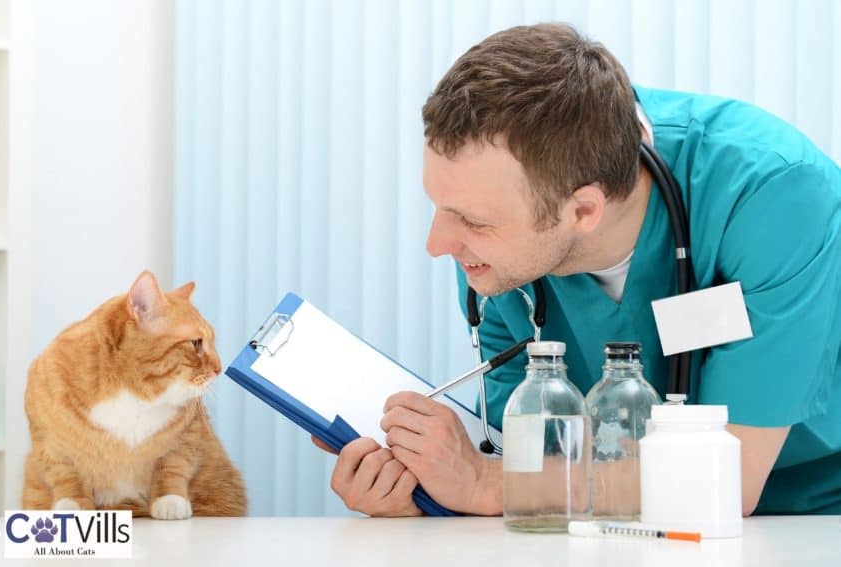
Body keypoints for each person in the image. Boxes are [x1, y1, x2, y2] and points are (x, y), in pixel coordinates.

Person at [312, 22, 841, 517]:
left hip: (816, 513)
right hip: (611, 522)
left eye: (471, 220)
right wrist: (424, 495)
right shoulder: (496, 247)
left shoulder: (773, 194)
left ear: (583, 210)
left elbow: (724, 484)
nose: (439, 244)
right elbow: (532, 463)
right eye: (441, 208)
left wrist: (485, 485)